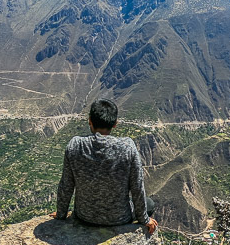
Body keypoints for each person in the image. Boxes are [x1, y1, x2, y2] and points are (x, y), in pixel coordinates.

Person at [52, 99, 158, 235]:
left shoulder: (75, 145)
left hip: (84, 216)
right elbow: (137, 187)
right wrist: (144, 219)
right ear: (115, 124)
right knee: (150, 204)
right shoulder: (127, 147)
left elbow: (66, 185)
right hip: (119, 218)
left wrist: (61, 214)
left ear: (89, 120)